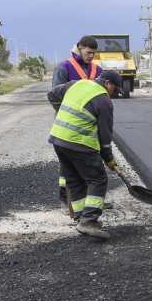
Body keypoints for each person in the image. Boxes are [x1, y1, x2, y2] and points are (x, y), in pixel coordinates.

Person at [47, 70, 122, 239]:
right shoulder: (104, 101)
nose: (114, 93)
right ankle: (89, 221)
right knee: (98, 179)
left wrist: (61, 113)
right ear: (108, 83)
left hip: (58, 139)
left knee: (74, 179)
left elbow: (52, 94)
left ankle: (81, 218)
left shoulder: (77, 83)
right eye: (115, 89)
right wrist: (109, 159)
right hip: (79, 143)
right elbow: (105, 138)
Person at [52, 36, 101, 207]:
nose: (91, 56)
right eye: (88, 52)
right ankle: (67, 197)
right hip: (69, 126)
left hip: (89, 126)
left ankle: (89, 198)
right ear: (79, 48)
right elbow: (55, 96)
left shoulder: (97, 70)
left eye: (94, 53)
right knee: (69, 164)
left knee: (88, 164)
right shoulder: (64, 68)